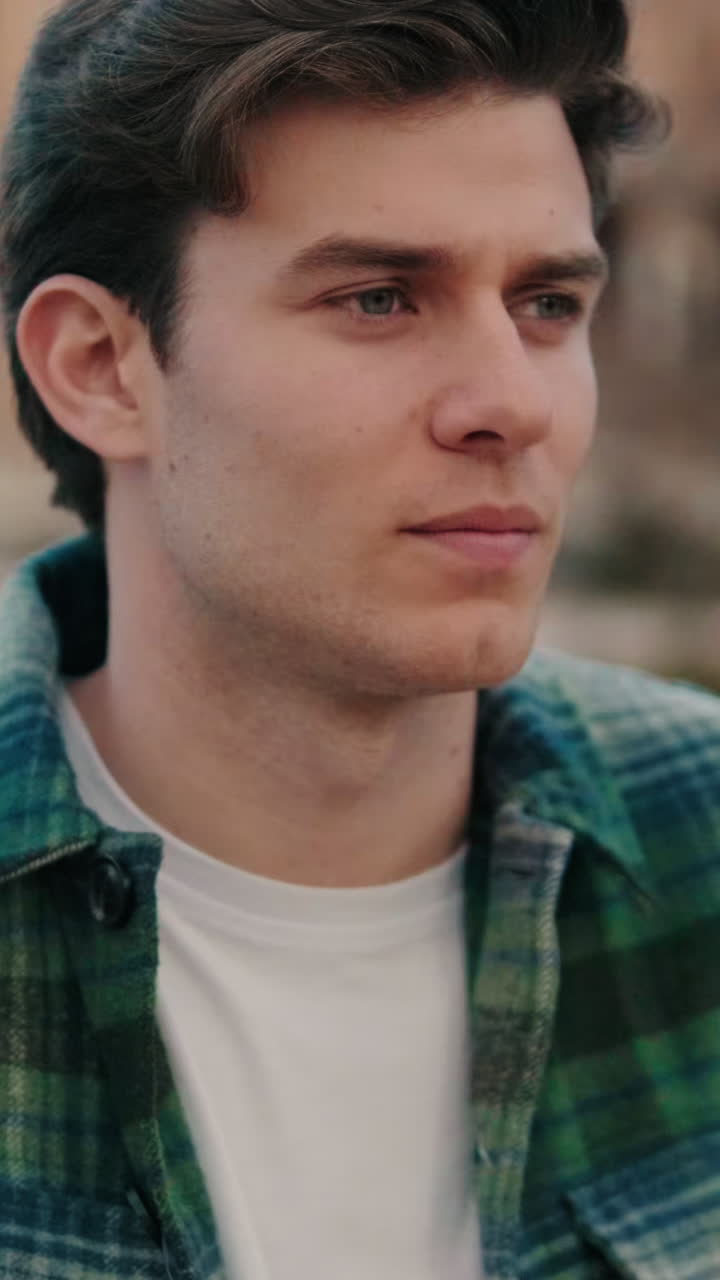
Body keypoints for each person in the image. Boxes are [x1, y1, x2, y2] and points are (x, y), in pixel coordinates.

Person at [1, 0, 719, 1276]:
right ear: (101, 366)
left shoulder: (699, 840)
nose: (511, 401)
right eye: (381, 298)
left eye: (548, 302)